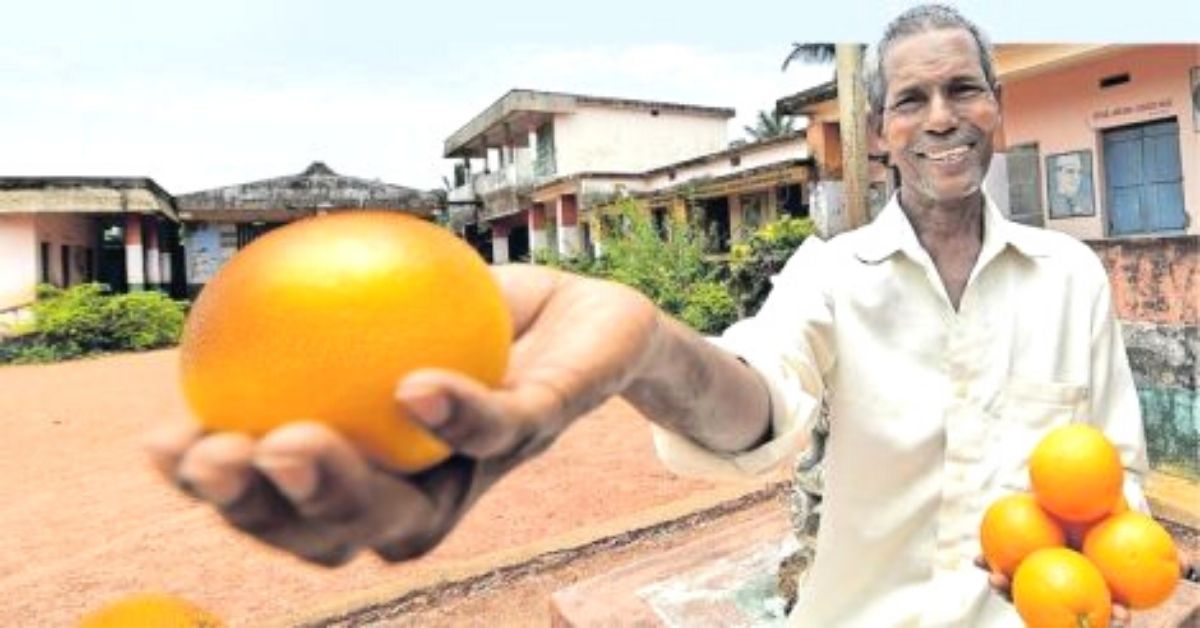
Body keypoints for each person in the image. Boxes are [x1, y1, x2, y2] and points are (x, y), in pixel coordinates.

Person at [148, 5, 1152, 626]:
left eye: (964, 90)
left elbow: (1118, 475)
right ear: (880, 133)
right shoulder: (831, 276)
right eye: (913, 99)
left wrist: (1112, 581)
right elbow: (758, 405)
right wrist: (643, 346)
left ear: (998, 111)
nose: (941, 116)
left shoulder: (1071, 278)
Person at [1049, 151, 1093, 217]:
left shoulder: (1085, 202)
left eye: (1079, 172)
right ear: (1058, 174)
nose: (1076, 177)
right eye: (1070, 171)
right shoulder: (1052, 202)